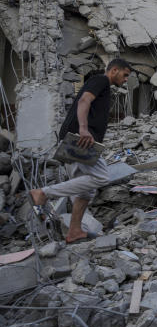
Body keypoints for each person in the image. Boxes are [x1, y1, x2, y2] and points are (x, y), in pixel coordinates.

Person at [29, 59, 132, 244]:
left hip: (80, 139)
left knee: (86, 190)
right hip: (82, 139)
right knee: (101, 177)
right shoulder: (101, 80)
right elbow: (84, 100)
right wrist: (83, 129)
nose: (125, 80)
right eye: (125, 75)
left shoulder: (103, 86)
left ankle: (74, 231)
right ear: (114, 70)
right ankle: (44, 193)